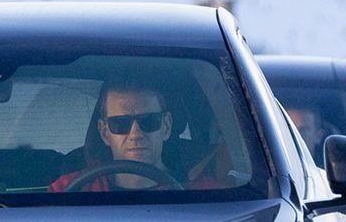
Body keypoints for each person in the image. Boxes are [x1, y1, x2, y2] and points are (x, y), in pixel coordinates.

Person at [51, 79, 221, 192]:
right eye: (120, 123)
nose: (135, 134)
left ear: (167, 126)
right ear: (104, 132)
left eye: (149, 121)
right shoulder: (68, 190)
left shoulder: (204, 193)